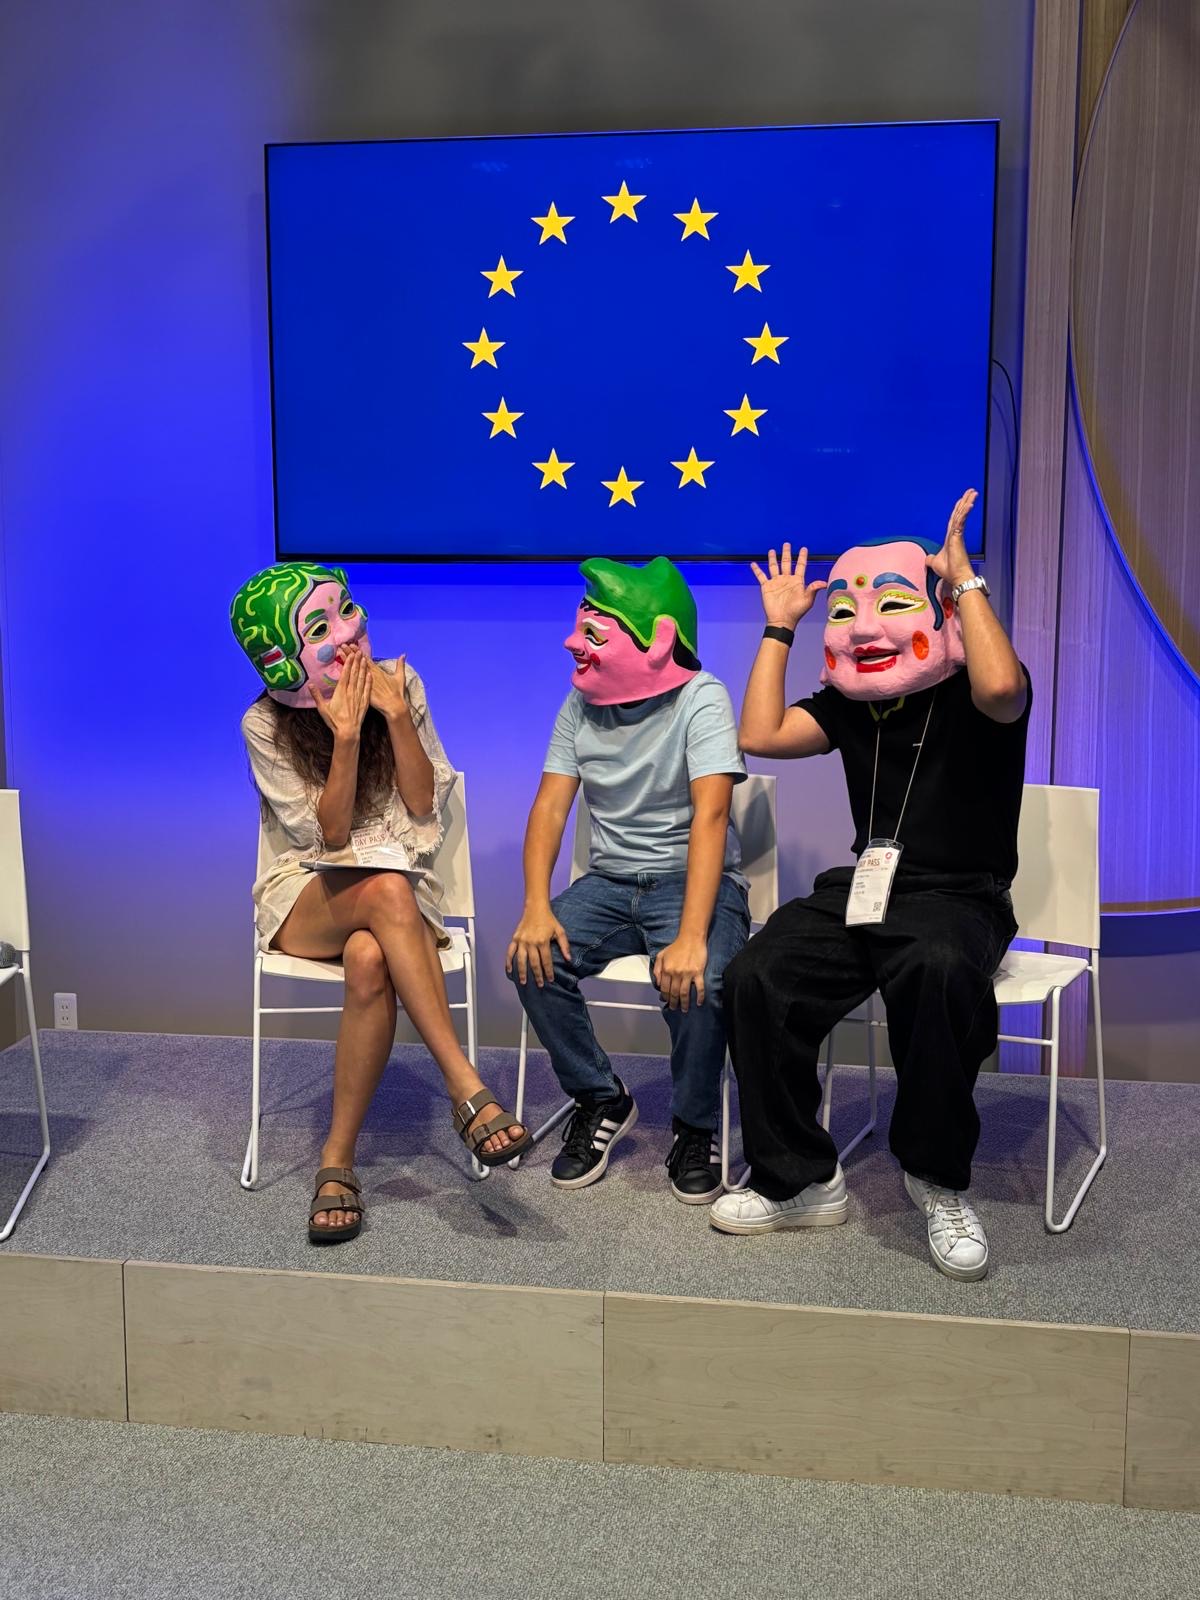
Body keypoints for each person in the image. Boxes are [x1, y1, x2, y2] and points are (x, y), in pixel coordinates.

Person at [710, 491, 1029, 1280]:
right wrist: (780, 626)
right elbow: (759, 734)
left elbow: (1002, 690)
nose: (863, 627)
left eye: (890, 604)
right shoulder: (855, 709)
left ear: (939, 613)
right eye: (847, 612)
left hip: (961, 894)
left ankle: (937, 1178)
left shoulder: (975, 685)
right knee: (757, 974)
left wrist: (962, 580)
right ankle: (799, 1179)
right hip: (869, 886)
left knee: (937, 968)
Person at [231, 561, 530, 1244]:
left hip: (392, 891)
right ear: (280, 659)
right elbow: (331, 837)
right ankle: (465, 1087)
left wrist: (393, 713)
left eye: (346, 609)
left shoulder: (402, 680)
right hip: (307, 893)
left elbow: (423, 804)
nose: (347, 631)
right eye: (319, 627)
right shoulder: (263, 723)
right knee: (386, 891)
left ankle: (336, 1161)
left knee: (370, 958)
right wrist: (343, 736)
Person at [507, 557, 750, 1203]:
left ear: (659, 640)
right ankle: (600, 1098)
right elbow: (550, 808)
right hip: (611, 882)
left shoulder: (702, 697)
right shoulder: (579, 704)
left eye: (595, 631)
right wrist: (536, 905)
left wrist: (692, 935)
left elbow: (711, 817)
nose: (573, 642)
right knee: (532, 959)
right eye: (580, 625)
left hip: (689, 880)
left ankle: (695, 1127)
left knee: (703, 980)